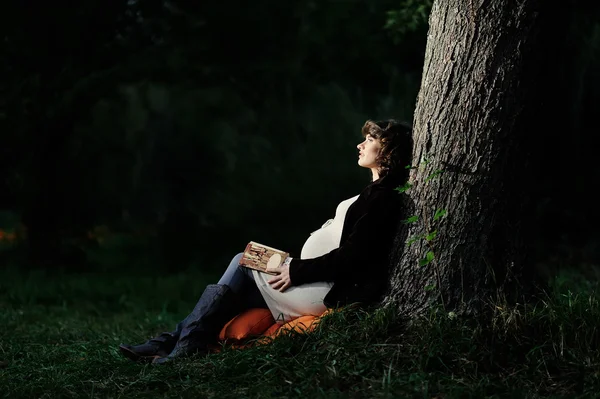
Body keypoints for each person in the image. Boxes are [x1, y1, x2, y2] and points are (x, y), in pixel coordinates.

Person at [119, 119, 413, 364]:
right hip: (314, 278)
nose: (360, 145)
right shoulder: (373, 191)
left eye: (370, 139)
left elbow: (354, 254)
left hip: (327, 290)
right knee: (247, 260)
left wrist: (296, 269)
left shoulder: (384, 197)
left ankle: (180, 345)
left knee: (243, 260)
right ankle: (173, 343)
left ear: (386, 148)